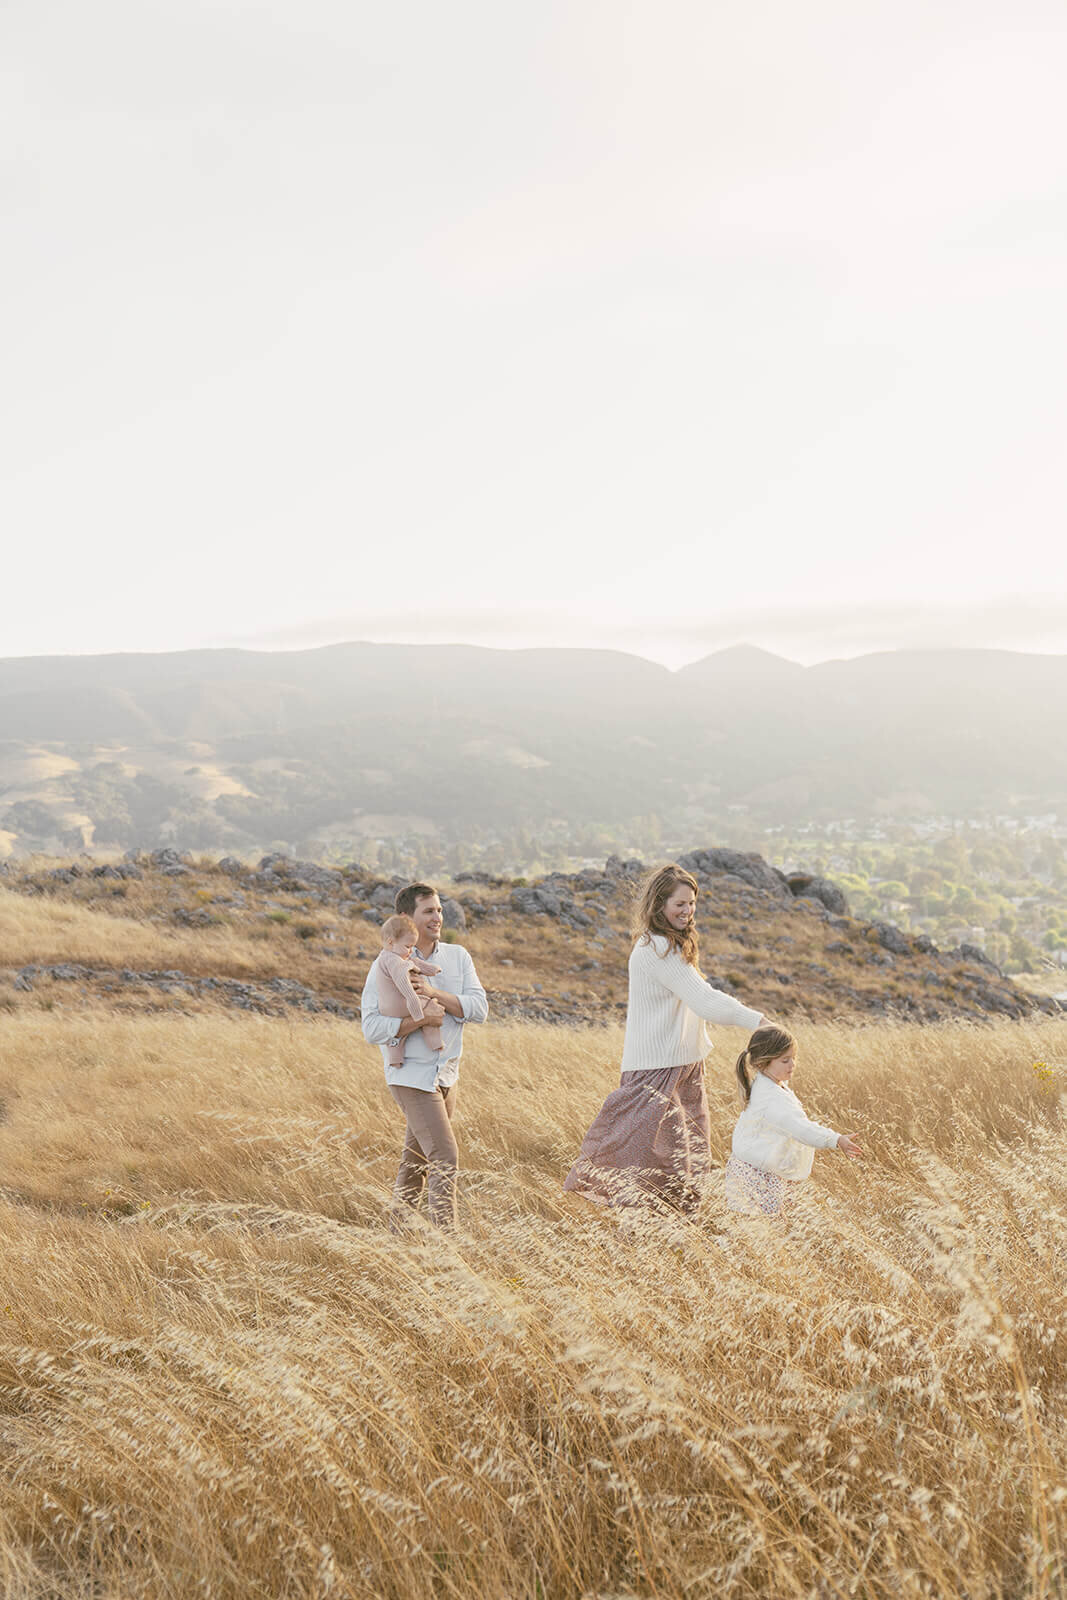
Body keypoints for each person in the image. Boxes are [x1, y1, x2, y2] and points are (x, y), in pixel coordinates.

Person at [564, 863, 766, 1214]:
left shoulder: (671, 945)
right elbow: (705, 1000)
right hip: (656, 1072)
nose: (688, 911)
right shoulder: (656, 949)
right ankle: (637, 1230)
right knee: (641, 1165)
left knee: (685, 1164)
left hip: (684, 1067)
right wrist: (759, 1022)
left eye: (692, 903)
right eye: (680, 904)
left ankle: (675, 1231)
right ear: (659, 905)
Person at [361, 883, 488, 1229]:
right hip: (411, 1076)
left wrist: (434, 994)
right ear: (406, 917)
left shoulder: (458, 957)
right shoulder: (384, 966)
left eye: (439, 910)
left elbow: (480, 1009)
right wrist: (420, 1020)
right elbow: (371, 1028)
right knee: (444, 1156)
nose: (437, 917)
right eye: (428, 911)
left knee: (415, 1162)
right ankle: (448, 1244)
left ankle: (396, 1238)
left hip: (447, 1075)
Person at [725, 1025, 864, 1216]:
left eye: (794, 1058)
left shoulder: (767, 1082)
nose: (792, 1064)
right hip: (758, 1175)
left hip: (754, 1167)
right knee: (768, 1227)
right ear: (763, 1063)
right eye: (785, 1060)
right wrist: (836, 1139)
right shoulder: (772, 1098)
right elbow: (802, 1129)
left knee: (765, 1224)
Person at [375, 913, 444, 1065]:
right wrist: (418, 1012)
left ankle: (395, 1059)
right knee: (430, 1005)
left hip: (386, 1008)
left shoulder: (385, 956)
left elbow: (413, 962)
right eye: (408, 946)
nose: (411, 950)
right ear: (391, 942)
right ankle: (435, 1042)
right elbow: (403, 983)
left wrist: (430, 969)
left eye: (413, 946)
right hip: (401, 1004)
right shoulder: (395, 962)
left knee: (398, 1036)